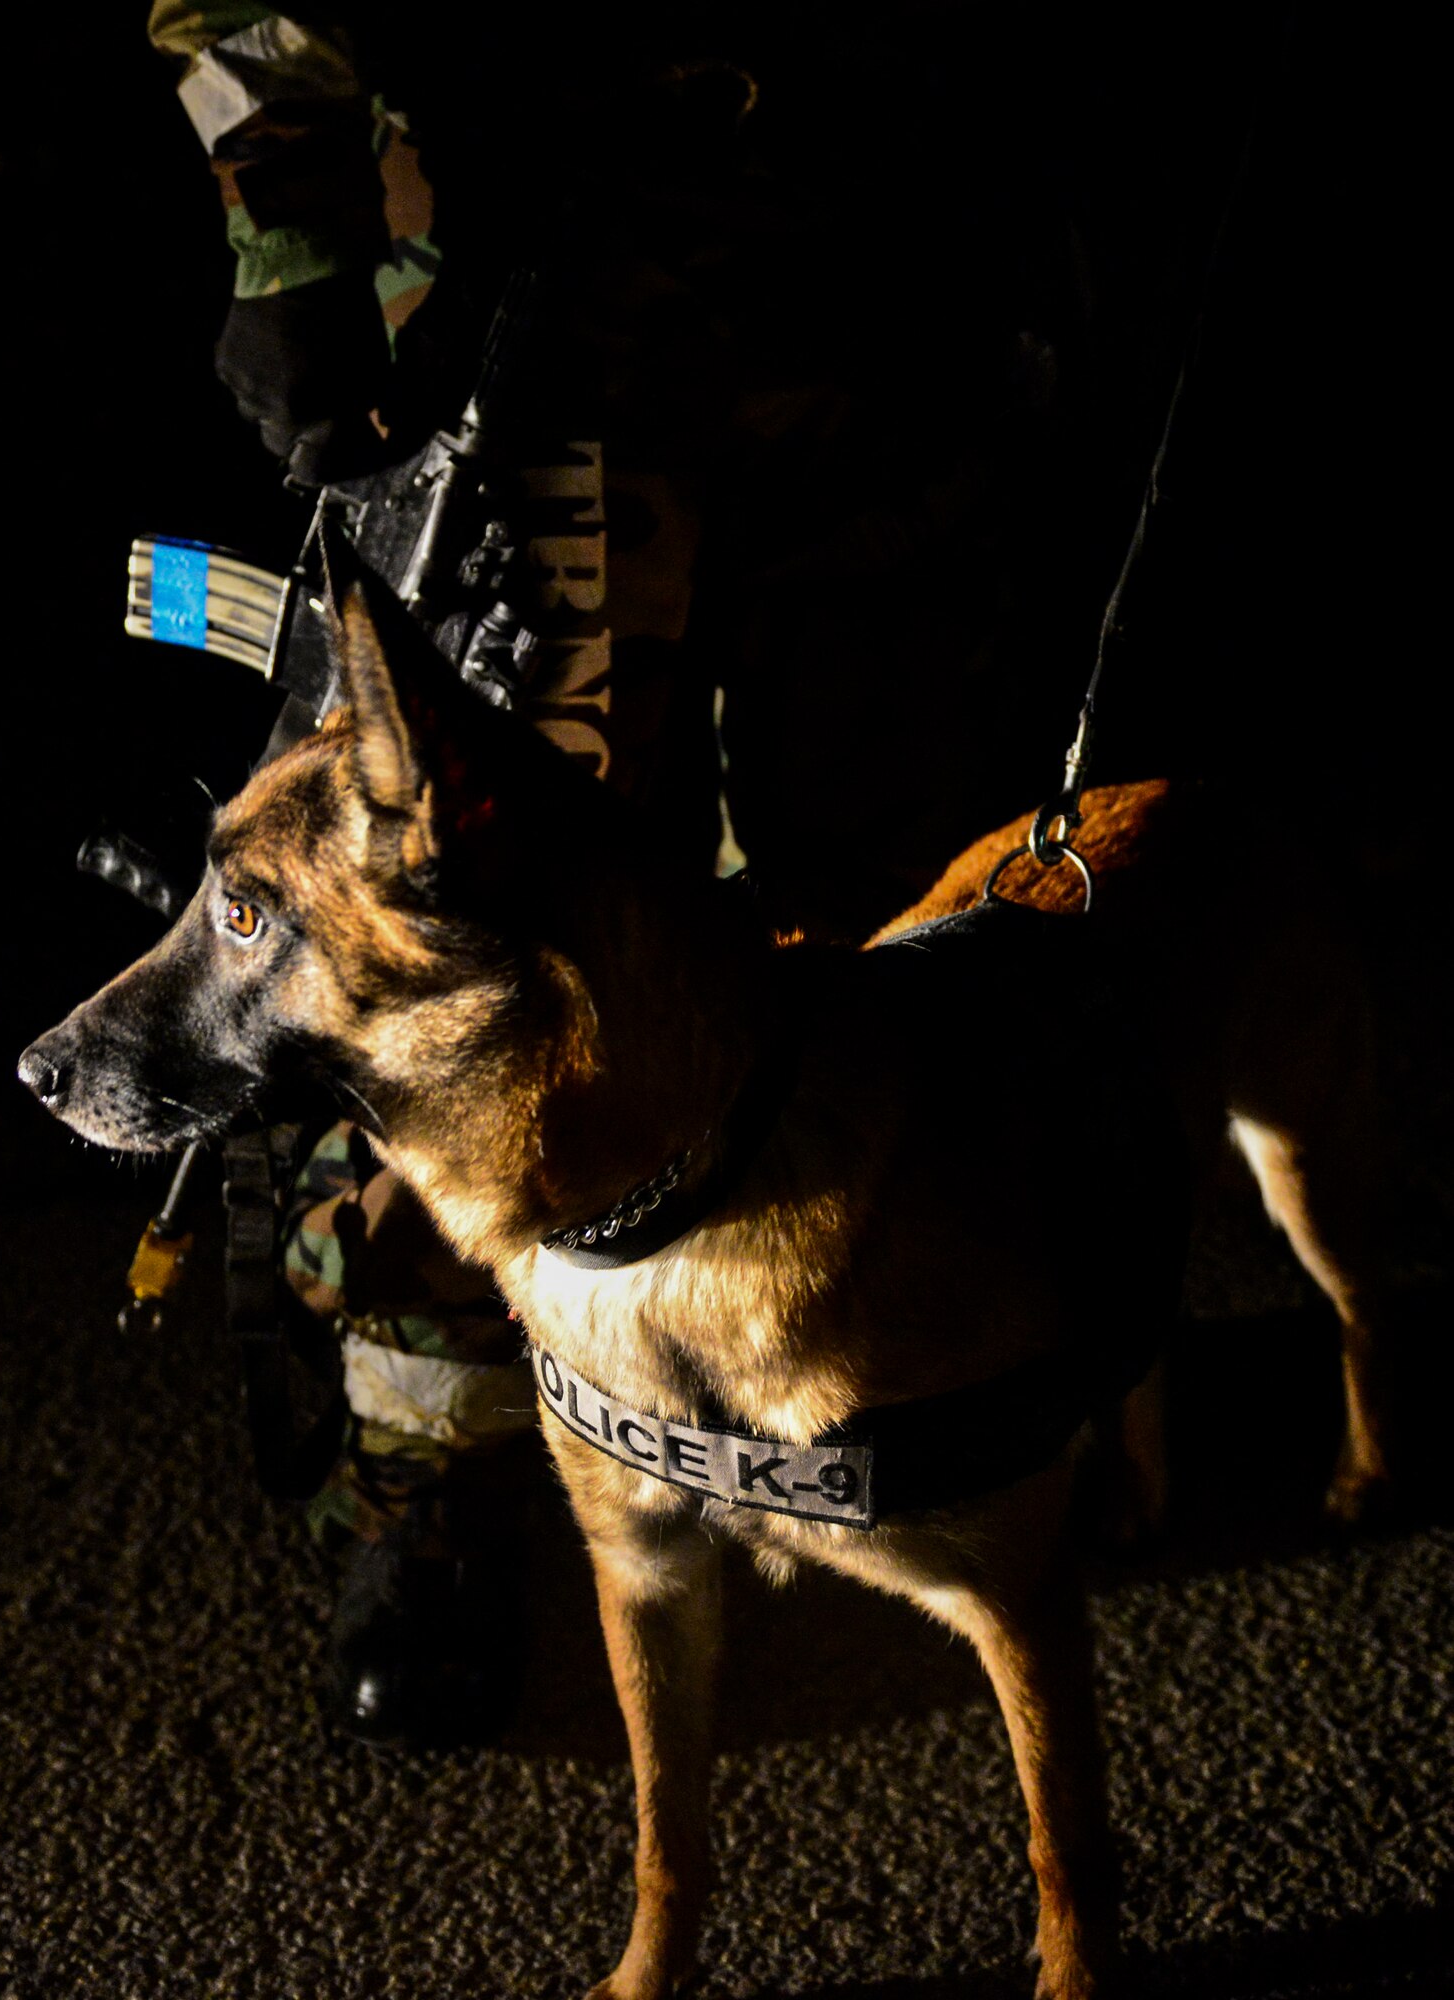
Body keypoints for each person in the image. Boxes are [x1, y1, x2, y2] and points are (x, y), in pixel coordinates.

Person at [146, 3, 1201, 1744]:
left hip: (896, 261)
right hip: (535, 300)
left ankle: (928, 1397)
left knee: (897, 911)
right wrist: (290, 230)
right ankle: (438, 1492)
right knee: (461, 951)